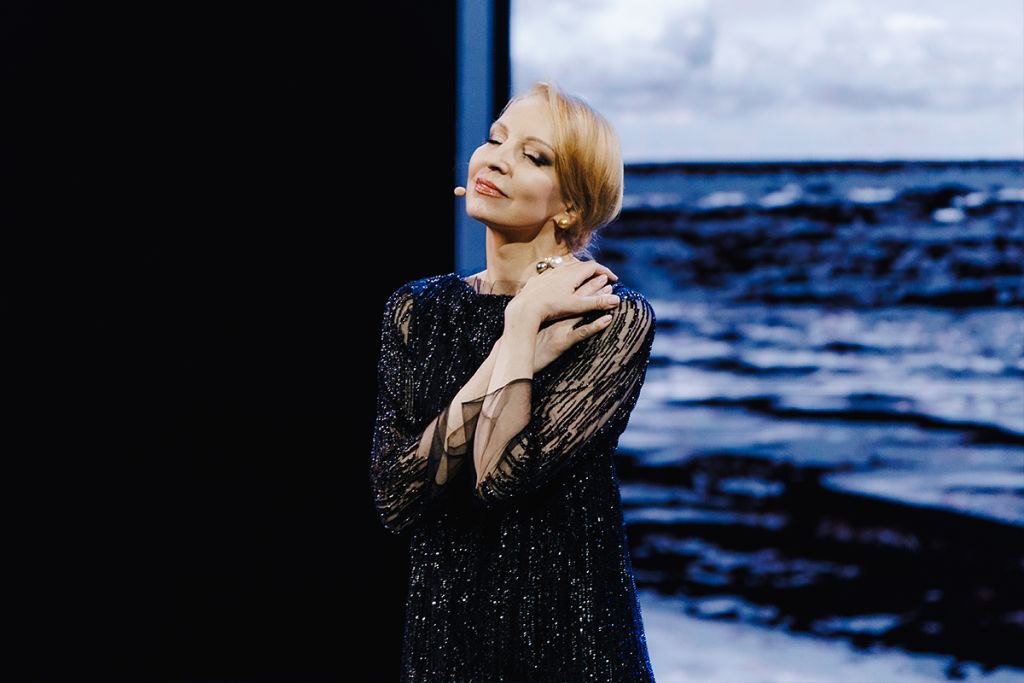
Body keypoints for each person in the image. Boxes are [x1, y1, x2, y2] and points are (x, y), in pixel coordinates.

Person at [369, 80, 658, 683]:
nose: (496, 159)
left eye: (534, 155)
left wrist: (524, 320)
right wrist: (515, 339)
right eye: (496, 139)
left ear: (570, 205)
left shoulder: (608, 316)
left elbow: (498, 477)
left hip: (570, 644)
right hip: (446, 643)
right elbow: (396, 497)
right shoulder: (417, 309)